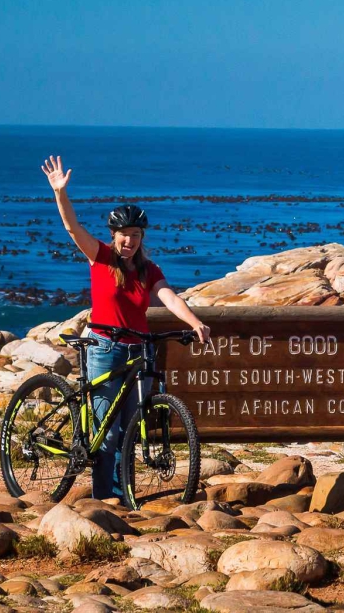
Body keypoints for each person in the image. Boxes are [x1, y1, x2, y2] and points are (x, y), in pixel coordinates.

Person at [41, 155, 210, 503]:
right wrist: (61, 193)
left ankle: (124, 494)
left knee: (133, 426)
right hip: (103, 347)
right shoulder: (100, 257)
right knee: (108, 431)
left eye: (135, 235)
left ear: (141, 237)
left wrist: (194, 323)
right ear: (113, 236)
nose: (128, 241)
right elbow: (73, 228)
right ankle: (107, 500)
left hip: (139, 350)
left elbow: (169, 298)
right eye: (123, 235)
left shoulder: (148, 269)